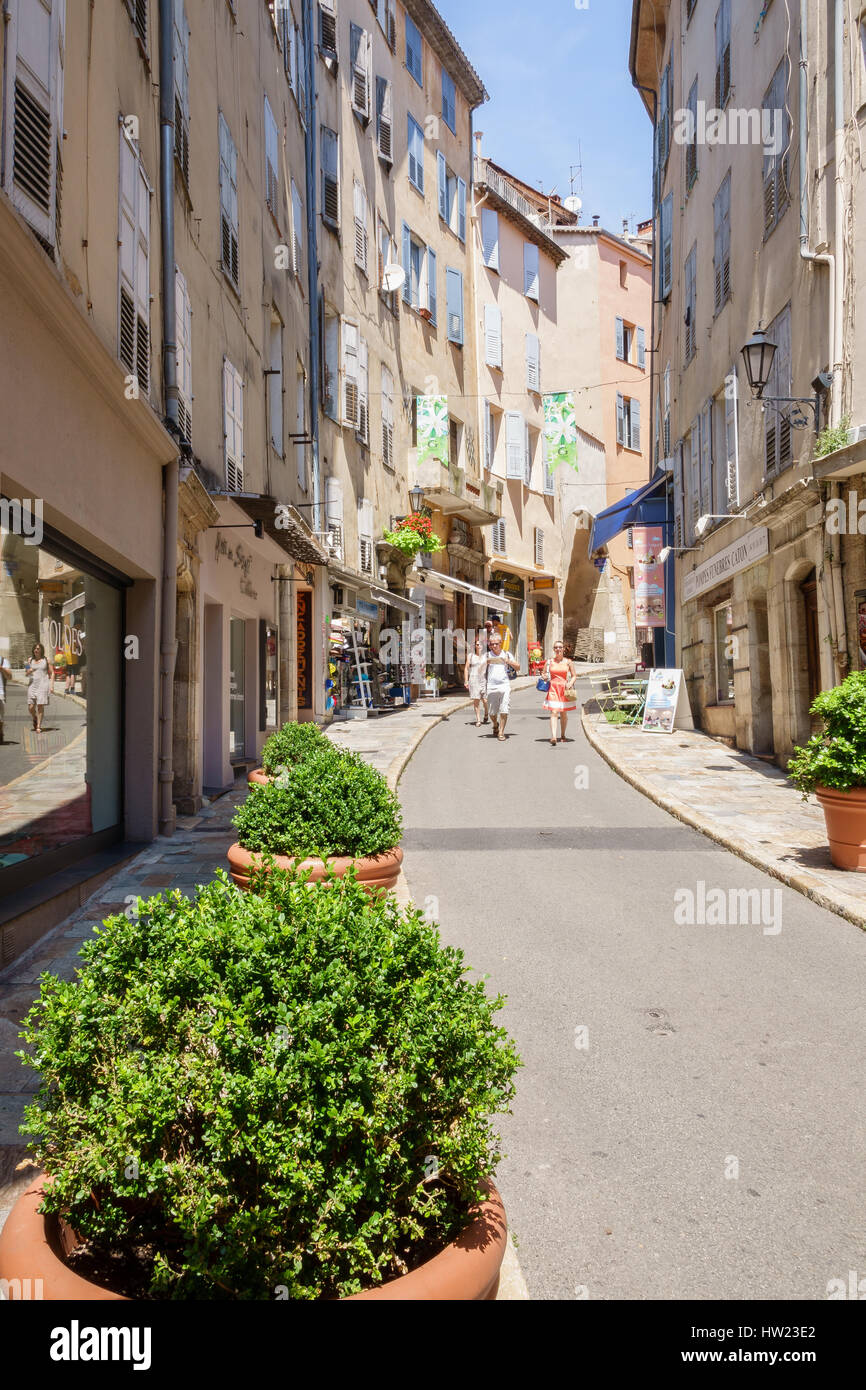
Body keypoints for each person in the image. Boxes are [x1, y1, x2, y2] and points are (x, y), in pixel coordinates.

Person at [484, 631, 520, 742]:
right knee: (491, 712)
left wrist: (508, 661)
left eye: (496, 643)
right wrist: (485, 664)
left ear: (500, 643)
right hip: (491, 686)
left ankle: (501, 732)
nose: (494, 646)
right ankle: (495, 724)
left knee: (504, 709)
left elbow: (518, 667)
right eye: (491, 644)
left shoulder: (507, 654)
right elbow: (479, 671)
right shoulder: (486, 655)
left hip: (504, 685)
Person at [542, 639, 578, 745]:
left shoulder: (568, 662)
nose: (558, 649)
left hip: (564, 688)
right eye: (556, 647)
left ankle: (562, 734)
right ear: (554, 649)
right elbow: (543, 673)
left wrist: (570, 683)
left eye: (560, 647)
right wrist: (544, 677)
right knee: (554, 711)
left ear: (563, 649)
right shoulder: (549, 662)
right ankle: (553, 736)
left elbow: (574, 675)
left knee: (563, 713)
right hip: (553, 688)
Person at [25, 642, 52, 734]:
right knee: (31, 707)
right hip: (32, 684)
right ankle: (34, 718)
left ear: (41, 650)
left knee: (40, 705)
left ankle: (38, 726)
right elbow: (26, 673)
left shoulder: (46, 659)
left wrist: (51, 685)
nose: (36, 650)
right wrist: (30, 670)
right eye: (35, 649)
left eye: (38, 649)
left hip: (43, 684)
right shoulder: (29, 660)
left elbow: (51, 673)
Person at [464, 633, 489, 727]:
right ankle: (478, 719)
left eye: (480, 644)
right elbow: (466, 668)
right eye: (477, 644)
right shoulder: (470, 656)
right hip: (473, 680)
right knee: (476, 701)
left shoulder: (486, 656)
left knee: (485, 700)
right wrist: (466, 681)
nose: (479, 646)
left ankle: (486, 712)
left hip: (483, 680)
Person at [0, 649, 11, 744]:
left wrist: (1, 668)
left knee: (0, 717)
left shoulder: (4, 661)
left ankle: (0, 731)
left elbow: (9, 676)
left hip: (0, 692)